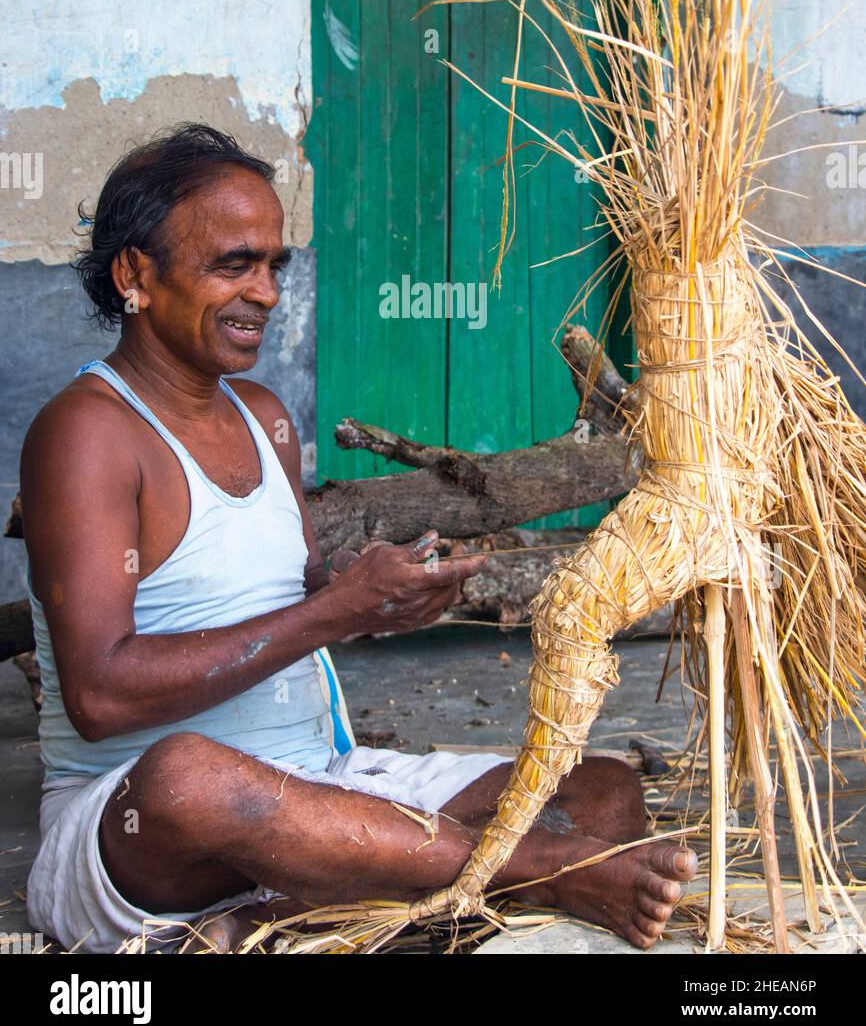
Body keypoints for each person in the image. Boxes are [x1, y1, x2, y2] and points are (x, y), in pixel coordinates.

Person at [21, 123, 696, 953]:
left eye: (275, 265)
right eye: (233, 264)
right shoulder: (86, 433)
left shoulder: (263, 417)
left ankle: (272, 925)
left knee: (599, 791)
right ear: (136, 275)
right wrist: (334, 615)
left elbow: (298, 605)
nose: (265, 293)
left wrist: (380, 598)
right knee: (188, 776)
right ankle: (537, 870)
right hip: (142, 830)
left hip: (317, 794)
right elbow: (99, 698)